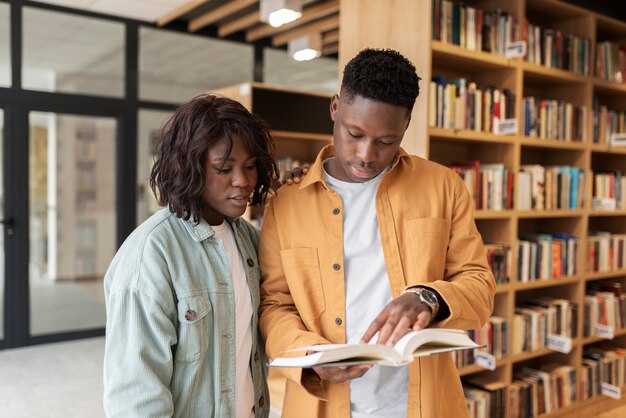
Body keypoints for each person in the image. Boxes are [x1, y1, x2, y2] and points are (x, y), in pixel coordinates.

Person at [258, 48, 496, 418]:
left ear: (406, 124)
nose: (366, 154)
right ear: (335, 107)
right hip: (319, 404)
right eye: (354, 133)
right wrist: (310, 355)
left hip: (423, 404)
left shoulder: (444, 187)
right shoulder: (287, 202)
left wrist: (428, 297)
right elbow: (274, 305)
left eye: (386, 141)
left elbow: (479, 286)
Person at [103, 94, 279, 418]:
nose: (243, 181)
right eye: (224, 169)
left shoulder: (250, 240)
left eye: (250, 165)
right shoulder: (150, 256)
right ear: (189, 168)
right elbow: (136, 398)